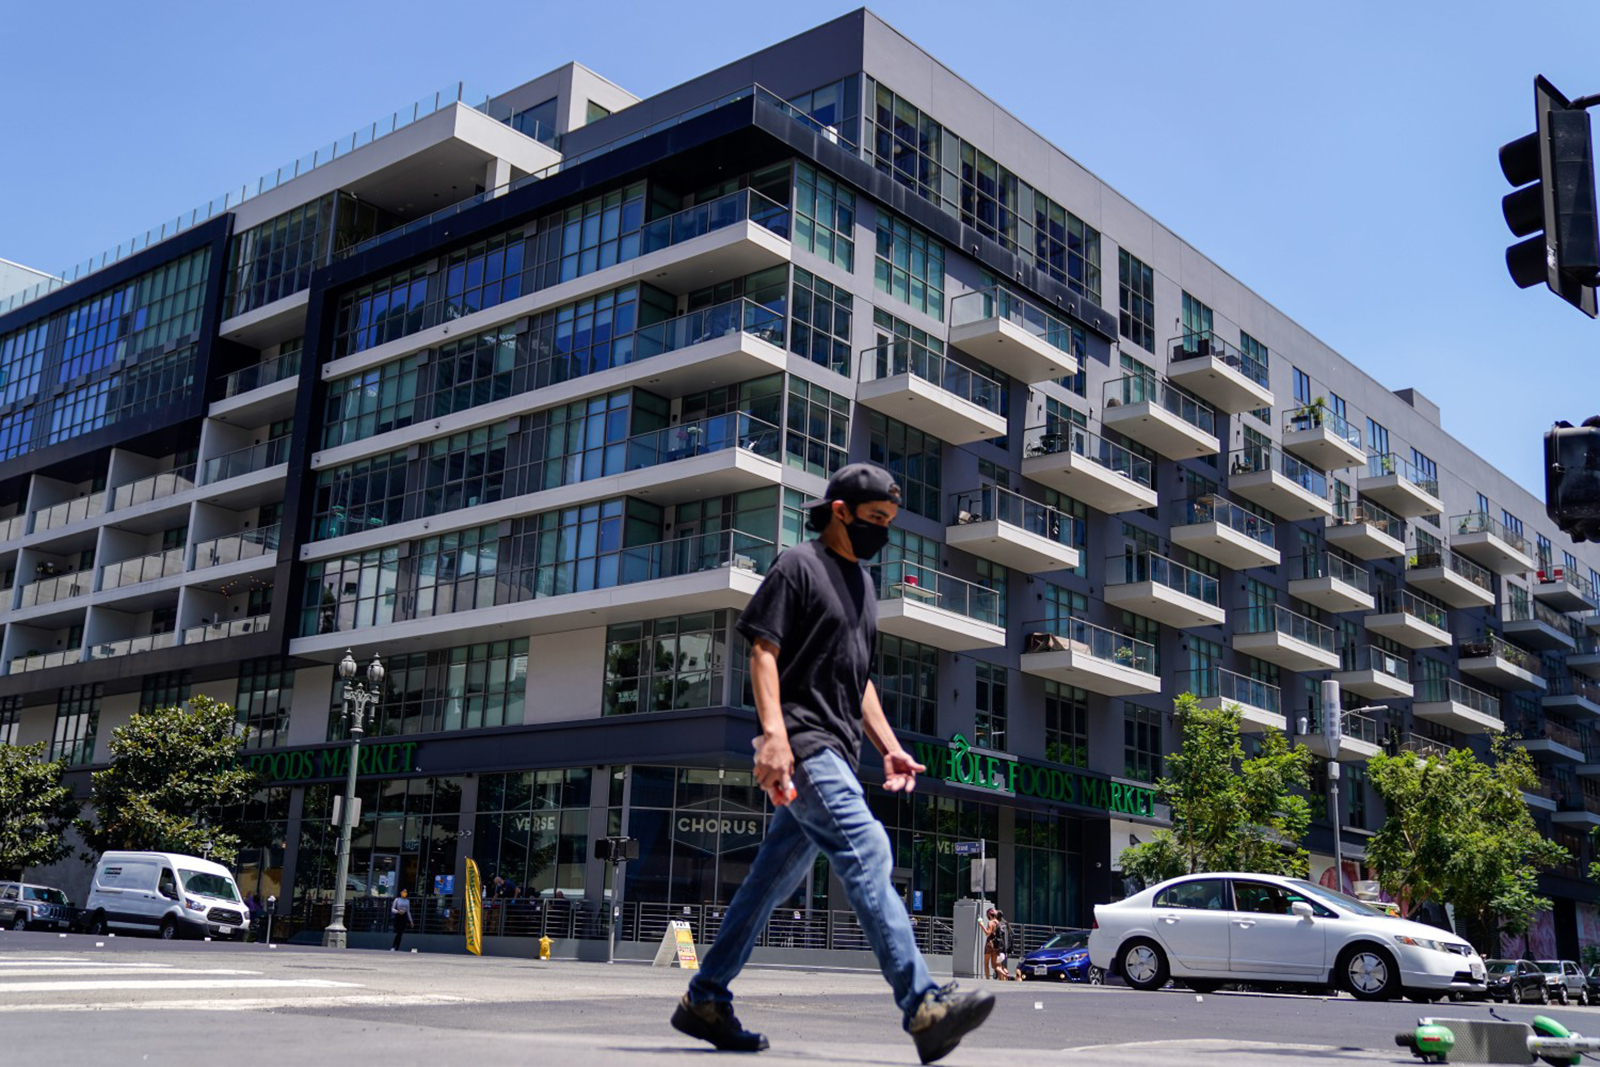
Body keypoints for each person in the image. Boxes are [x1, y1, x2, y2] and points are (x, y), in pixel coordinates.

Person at [671, 464, 994, 1065]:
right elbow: (763, 650)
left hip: (840, 749)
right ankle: (922, 1004)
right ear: (840, 511)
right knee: (867, 848)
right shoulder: (798, 565)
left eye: (890, 521)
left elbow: (858, 679)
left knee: (768, 885)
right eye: (875, 519)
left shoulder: (864, 586)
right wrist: (774, 736)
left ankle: (705, 998)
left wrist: (888, 745)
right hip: (806, 743)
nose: (883, 531)